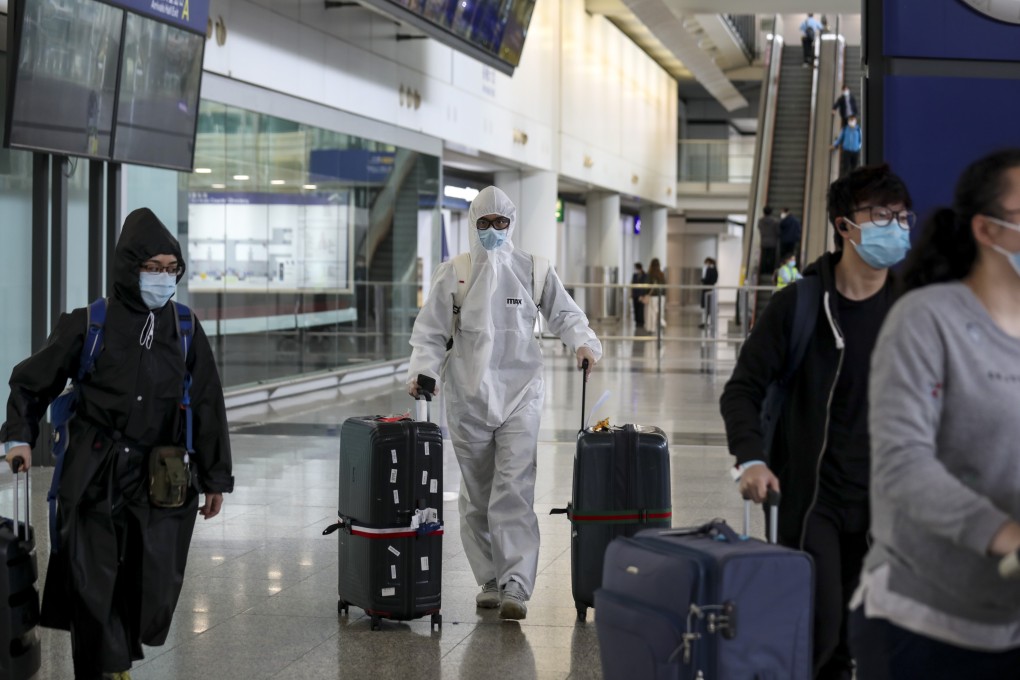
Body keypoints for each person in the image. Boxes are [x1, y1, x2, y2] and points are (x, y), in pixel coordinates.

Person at [1, 208, 233, 680]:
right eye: (153, 267)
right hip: (94, 474)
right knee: (92, 579)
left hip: (160, 480)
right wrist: (20, 437)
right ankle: (105, 669)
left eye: (171, 269)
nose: (163, 278)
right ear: (130, 267)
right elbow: (31, 382)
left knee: (147, 583)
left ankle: (116, 659)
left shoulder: (184, 329)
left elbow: (208, 403)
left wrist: (215, 479)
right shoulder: (90, 324)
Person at [720, 164, 915, 680]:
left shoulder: (914, 307)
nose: (895, 227)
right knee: (822, 631)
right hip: (813, 500)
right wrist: (753, 458)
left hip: (888, 501)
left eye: (902, 217)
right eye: (881, 215)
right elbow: (742, 388)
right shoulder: (801, 304)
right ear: (844, 225)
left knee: (873, 632)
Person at [849, 149, 1020, 679]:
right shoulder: (926, 321)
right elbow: (904, 464)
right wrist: (1007, 534)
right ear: (988, 230)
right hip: (922, 627)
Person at [406, 186, 601, 621]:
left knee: (513, 488)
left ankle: (516, 583)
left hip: (521, 396)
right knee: (476, 494)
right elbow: (431, 332)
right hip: (468, 397)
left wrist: (583, 343)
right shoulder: (454, 272)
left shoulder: (532, 269)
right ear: (473, 224)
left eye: (500, 223)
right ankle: (490, 579)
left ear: (511, 224)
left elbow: (565, 313)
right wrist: (424, 370)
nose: (493, 231)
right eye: (484, 223)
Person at [643, 257, 667, 333]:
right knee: (659, 312)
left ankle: (652, 328)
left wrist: (645, 294)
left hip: (653, 296)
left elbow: (647, 286)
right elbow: (664, 285)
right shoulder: (661, 274)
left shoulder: (650, 274)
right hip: (661, 296)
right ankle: (661, 322)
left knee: (652, 313)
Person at [757, 206, 781, 277]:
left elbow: (759, 228)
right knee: (771, 257)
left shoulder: (760, 221)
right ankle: (770, 271)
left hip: (763, 241)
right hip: (773, 242)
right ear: (771, 212)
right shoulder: (775, 221)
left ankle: (763, 270)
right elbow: (778, 232)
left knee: (764, 256)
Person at [699, 257, 718, 329]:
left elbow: (706, 279)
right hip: (711, 289)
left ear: (709, 262)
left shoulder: (709, 269)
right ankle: (709, 322)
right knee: (710, 306)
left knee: (706, 306)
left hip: (706, 289)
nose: (706, 264)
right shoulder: (715, 269)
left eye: (706, 263)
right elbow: (715, 280)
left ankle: (706, 322)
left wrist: (702, 280)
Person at [631, 261, 647, 330]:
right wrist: (631, 293)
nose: (636, 270)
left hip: (641, 295)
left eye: (636, 268)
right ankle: (637, 321)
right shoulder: (634, 275)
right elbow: (632, 284)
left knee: (641, 309)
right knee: (636, 308)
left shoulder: (645, 275)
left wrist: (643, 294)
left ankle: (641, 322)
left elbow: (645, 286)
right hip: (635, 295)